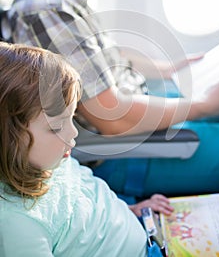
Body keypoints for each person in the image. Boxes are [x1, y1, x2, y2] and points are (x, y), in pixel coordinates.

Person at [8, 0, 219, 204]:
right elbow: (109, 117)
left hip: (136, 108)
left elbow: (102, 61)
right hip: (127, 148)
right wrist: (202, 107)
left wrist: (167, 70)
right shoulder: (46, 10)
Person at [0, 41, 165, 257]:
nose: (73, 132)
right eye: (57, 126)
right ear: (7, 139)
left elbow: (86, 201)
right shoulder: (17, 225)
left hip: (142, 232)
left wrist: (129, 211)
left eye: (72, 118)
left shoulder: (51, 160)